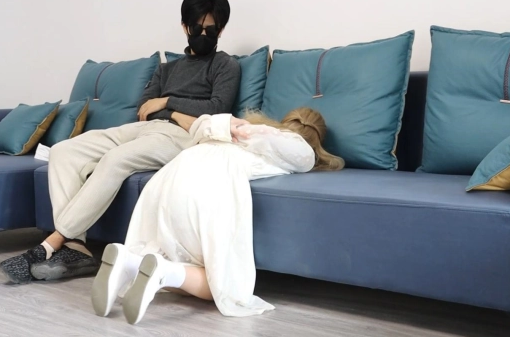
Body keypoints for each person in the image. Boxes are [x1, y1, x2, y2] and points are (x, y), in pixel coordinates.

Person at [0, 0, 242, 284]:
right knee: (64, 152)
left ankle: (53, 241)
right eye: (197, 28)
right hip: (144, 129)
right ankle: (76, 247)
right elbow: (143, 109)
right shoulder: (167, 69)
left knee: (115, 160)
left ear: (220, 31)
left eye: (210, 30)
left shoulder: (225, 65)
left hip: (183, 136)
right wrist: (171, 109)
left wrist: (167, 103)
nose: (203, 35)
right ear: (184, 27)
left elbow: (216, 108)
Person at [90, 107, 345, 324]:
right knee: (223, 286)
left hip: (169, 177)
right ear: (316, 138)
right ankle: (164, 272)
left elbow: (201, 125)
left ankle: (129, 261)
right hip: (208, 184)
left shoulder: (235, 128)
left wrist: (234, 127)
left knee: (168, 251)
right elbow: (299, 157)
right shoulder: (296, 146)